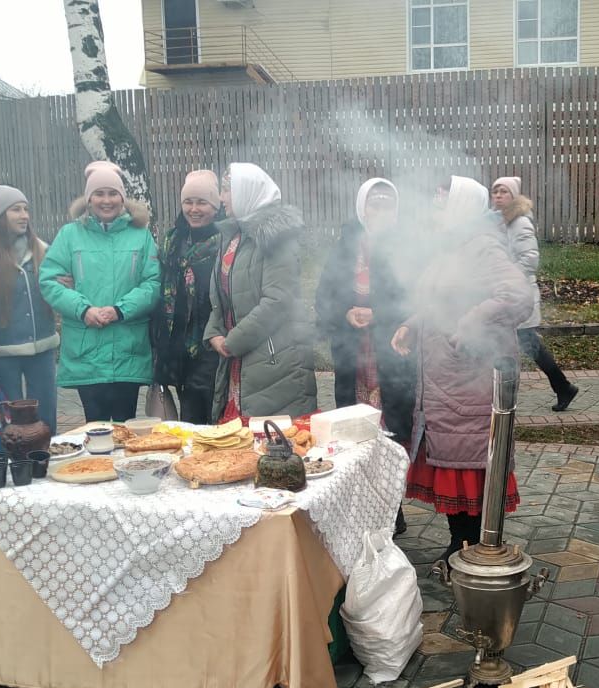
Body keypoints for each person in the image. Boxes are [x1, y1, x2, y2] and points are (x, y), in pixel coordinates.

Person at [391, 176, 532, 562]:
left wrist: (472, 323)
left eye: (442, 202)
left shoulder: (482, 247)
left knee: (468, 467)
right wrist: (411, 323)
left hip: (469, 377)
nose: (435, 209)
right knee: (451, 461)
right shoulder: (450, 248)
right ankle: (461, 543)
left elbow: (517, 296)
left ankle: (471, 546)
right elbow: (437, 302)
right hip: (445, 379)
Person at [316, 178, 416, 535]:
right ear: (362, 208)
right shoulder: (345, 246)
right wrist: (345, 313)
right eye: (374, 205)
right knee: (355, 431)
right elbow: (324, 295)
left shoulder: (407, 247)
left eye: (387, 205)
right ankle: (364, 505)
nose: (380, 212)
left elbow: (415, 298)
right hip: (352, 354)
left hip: (391, 353)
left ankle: (393, 506)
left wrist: (379, 314)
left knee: (393, 429)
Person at [39, 161, 161, 423]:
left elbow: (153, 284)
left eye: (113, 193)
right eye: (99, 194)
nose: (107, 201)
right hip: (87, 351)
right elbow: (49, 281)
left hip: (127, 348)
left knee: (125, 427)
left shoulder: (141, 236)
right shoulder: (69, 236)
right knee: (94, 428)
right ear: (88, 199)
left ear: (122, 198)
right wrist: (83, 309)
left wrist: (120, 310)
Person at [204, 162, 317, 421]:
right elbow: (220, 298)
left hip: (276, 363)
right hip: (240, 361)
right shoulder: (233, 237)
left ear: (246, 191)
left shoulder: (275, 237)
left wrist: (232, 341)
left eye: (226, 190)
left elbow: (277, 301)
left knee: (272, 451)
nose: (221, 198)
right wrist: (213, 333)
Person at [0, 182, 59, 432]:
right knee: (12, 420)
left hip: (43, 348)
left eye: (26, 209)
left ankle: (46, 464)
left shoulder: (46, 253)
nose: (24, 216)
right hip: (2, 352)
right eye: (16, 209)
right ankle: (15, 468)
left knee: (46, 416)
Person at [490, 177, 578, 410]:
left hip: (518, 296)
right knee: (516, 345)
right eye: (495, 191)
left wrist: (505, 279)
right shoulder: (497, 221)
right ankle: (562, 387)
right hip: (504, 294)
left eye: (504, 192)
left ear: (514, 196)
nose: (498, 195)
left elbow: (529, 260)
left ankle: (562, 388)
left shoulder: (519, 223)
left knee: (526, 346)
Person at [151, 170, 224, 424]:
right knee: (189, 422)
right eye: (188, 202)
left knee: (215, 421)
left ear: (216, 207)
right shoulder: (172, 243)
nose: (194, 209)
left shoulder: (225, 242)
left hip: (212, 345)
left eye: (202, 202)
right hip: (179, 348)